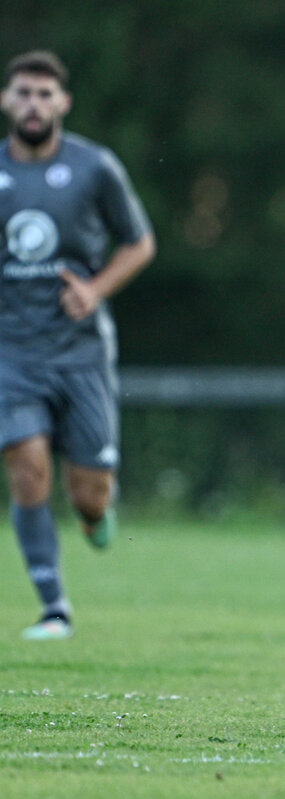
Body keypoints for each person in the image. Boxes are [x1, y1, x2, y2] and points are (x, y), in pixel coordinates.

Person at [1, 51, 156, 640]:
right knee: (28, 468)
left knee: (89, 494)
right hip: (12, 353)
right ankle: (54, 609)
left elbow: (139, 244)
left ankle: (94, 516)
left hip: (82, 353)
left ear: (62, 103)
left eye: (44, 94)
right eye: (23, 92)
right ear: (6, 100)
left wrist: (94, 290)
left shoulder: (95, 168)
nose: (33, 104)